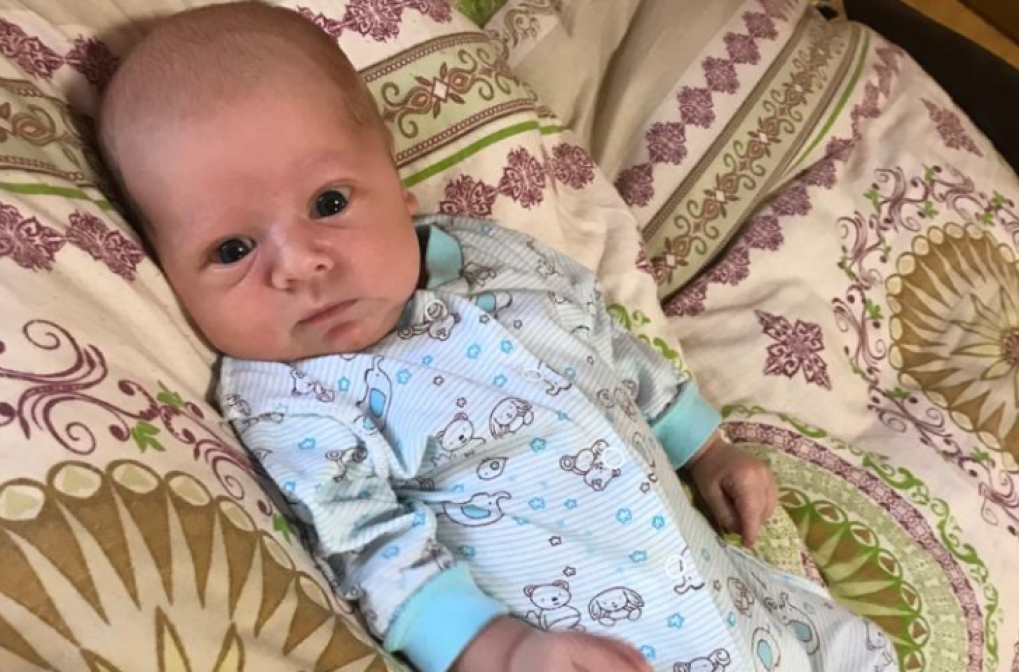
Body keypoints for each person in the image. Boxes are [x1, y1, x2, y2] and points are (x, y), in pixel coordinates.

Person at [98, 3, 897, 671]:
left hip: (751, 611)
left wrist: (704, 448)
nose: (300, 263)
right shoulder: (295, 400)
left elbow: (608, 343)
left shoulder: (489, 254)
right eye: (232, 249)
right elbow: (364, 548)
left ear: (397, 185)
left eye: (330, 202)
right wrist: (498, 648)